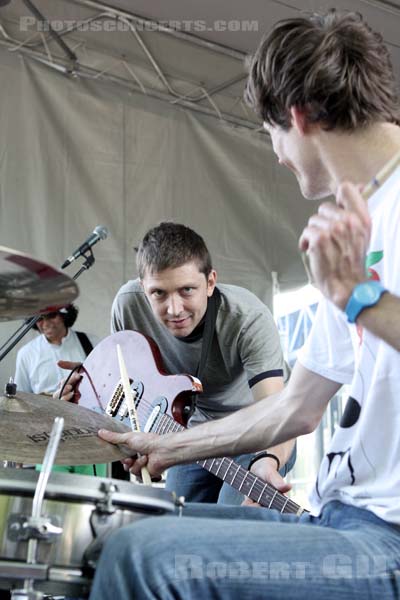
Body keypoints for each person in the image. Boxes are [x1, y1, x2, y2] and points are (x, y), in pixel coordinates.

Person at [88, 10, 400, 599]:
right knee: (119, 529)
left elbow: (363, 307)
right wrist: (166, 446)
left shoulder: (362, 247)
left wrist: (360, 297)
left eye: (271, 133)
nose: (278, 154)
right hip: (343, 520)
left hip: (387, 541)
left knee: (142, 559)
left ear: (299, 117)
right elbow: (297, 409)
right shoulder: (356, 222)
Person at [61, 221, 295, 503]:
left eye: (187, 290)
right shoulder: (128, 305)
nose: (174, 309)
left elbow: (277, 416)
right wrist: (83, 391)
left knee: (229, 518)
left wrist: (268, 461)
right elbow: (124, 386)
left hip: (254, 432)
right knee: (176, 520)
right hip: (189, 430)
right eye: (158, 293)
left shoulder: (248, 318)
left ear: (210, 283)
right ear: (142, 287)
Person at [15, 304, 106, 477]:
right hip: (47, 437)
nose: (45, 323)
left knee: (92, 494)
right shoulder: (26, 354)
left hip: (92, 436)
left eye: (51, 316)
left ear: (65, 315)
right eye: (39, 319)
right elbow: (20, 403)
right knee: (51, 495)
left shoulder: (91, 342)